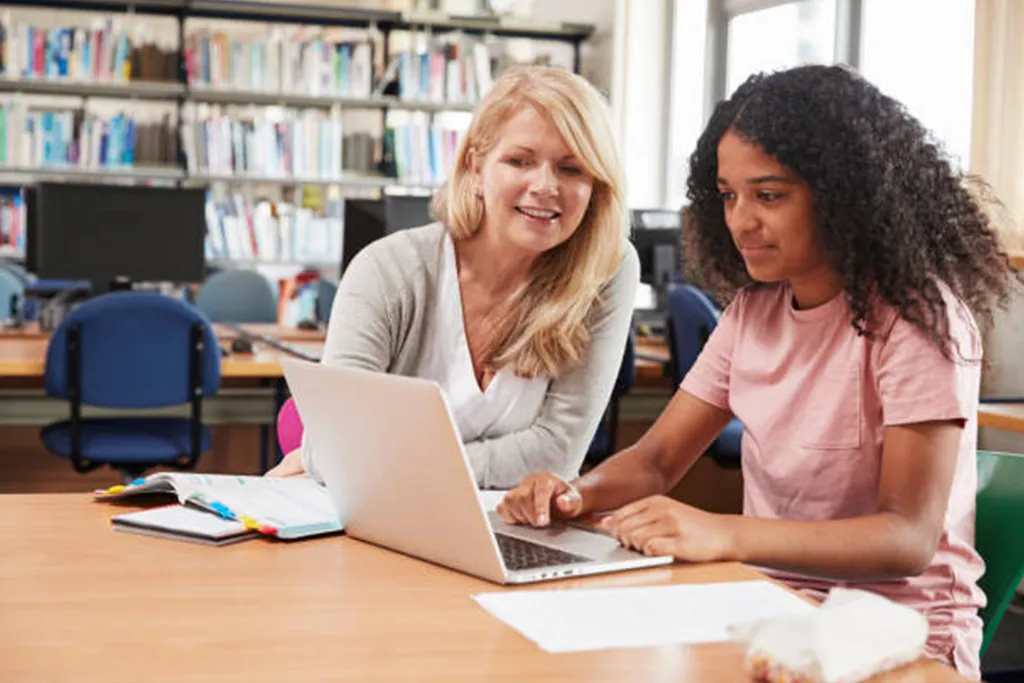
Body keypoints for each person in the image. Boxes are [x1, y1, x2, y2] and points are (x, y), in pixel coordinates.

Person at [498, 64, 1020, 679]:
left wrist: (725, 533)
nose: (740, 220)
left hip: (895, 637)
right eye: (728, 195)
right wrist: (573, 494)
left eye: (768, 195)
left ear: (843, 195)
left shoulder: (917, 323)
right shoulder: (753, 311)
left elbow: (906, 538)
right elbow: (658, 461)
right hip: (766, 612)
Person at [267, 64, 638, 490]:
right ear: (476, 167)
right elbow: (336, 451)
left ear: (596, 184)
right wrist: (353, 460)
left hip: (512, 533)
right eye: (520, 161)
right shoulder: (387, 271)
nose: (544, 185)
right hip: (380, 523)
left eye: (571, 169)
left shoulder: (606, 267)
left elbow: (557, 454)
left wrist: (388, 465)